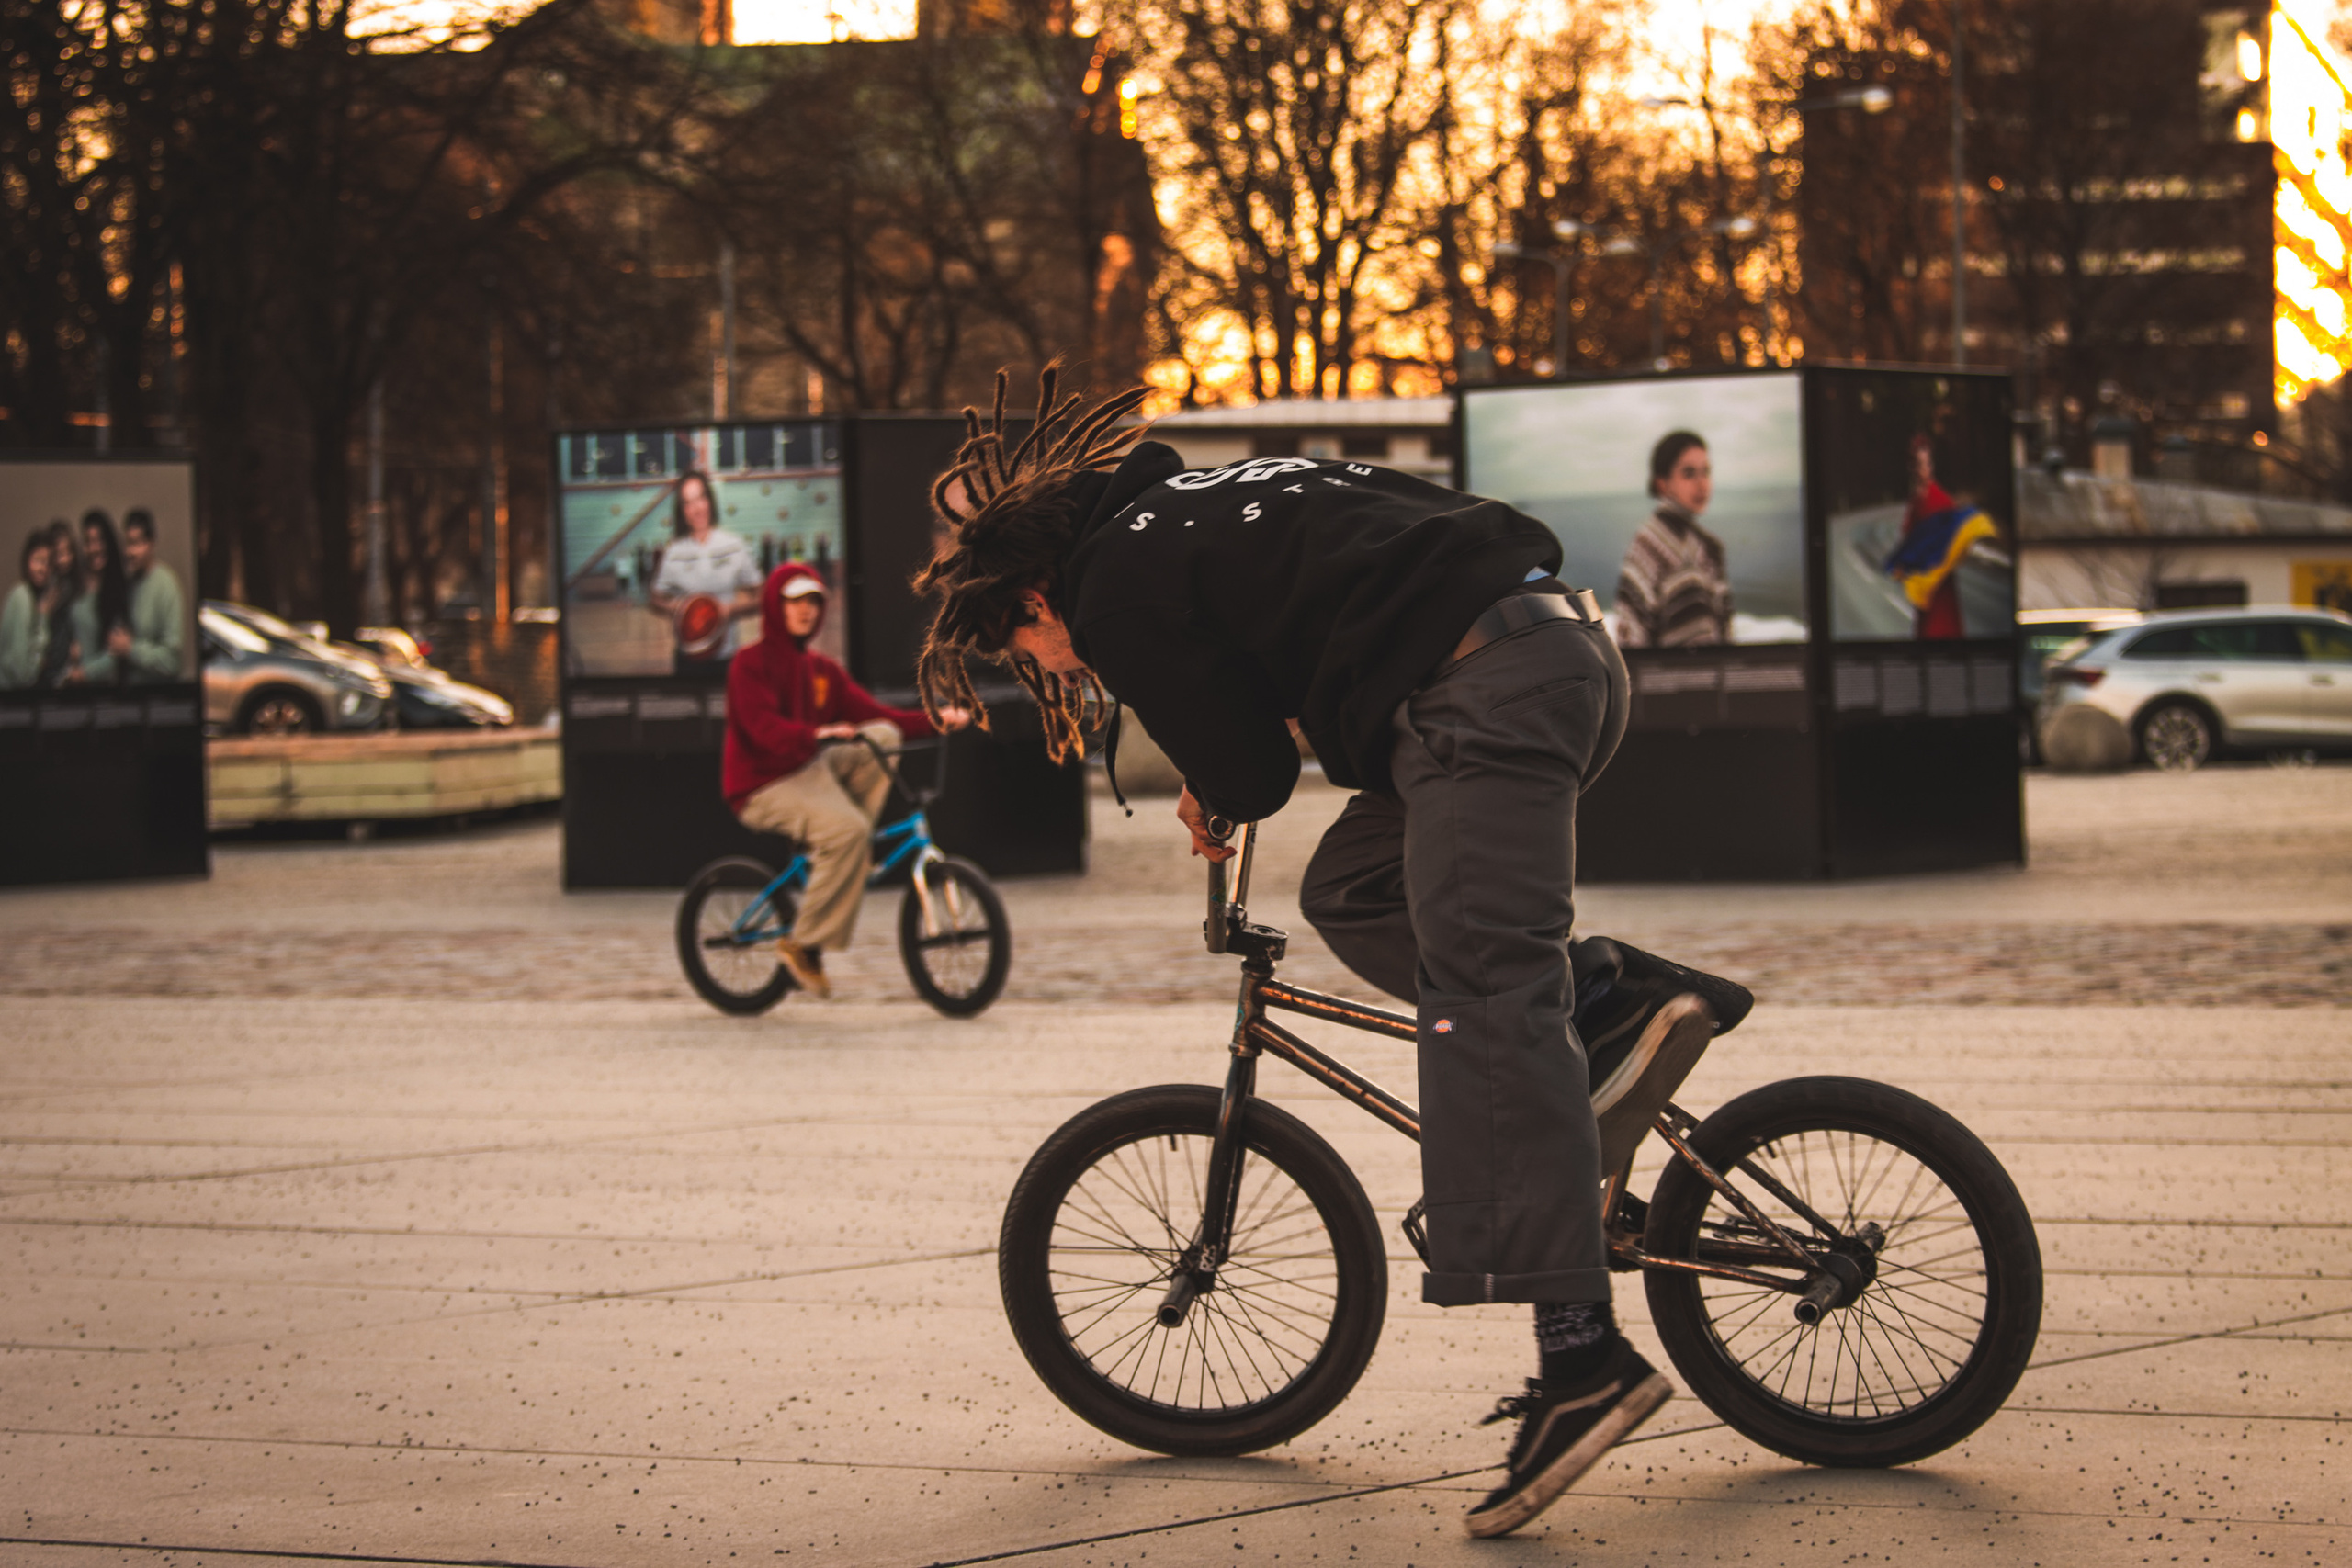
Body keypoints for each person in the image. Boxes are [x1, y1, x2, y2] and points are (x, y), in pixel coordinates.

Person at [911, 370, 1751, 1540]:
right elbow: (1283, 665)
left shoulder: (1111, 584)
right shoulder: (1193, 510)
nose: (1055, 667)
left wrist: (1210, 778)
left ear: (1037, 587)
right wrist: (1222, 763)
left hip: (1483, 695)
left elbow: (1253, 772)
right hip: (1557, 655)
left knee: (1484, 999)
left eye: (1029, 643)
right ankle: (1607, 1004)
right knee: (1350, 889)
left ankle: (1583, 1361)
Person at [722, 562, 971, 998]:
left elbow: (881, 716)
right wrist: (816, 733)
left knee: (882, 736)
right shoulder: (749, 663)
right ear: (774, 605)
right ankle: (804, 944)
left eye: (814, 602)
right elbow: (761, 730)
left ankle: (842, 845)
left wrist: (936, 720)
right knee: (850, 831)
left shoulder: (822, 670)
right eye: (795, 601)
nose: (806, 611)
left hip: (808, 768)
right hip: (761, 783)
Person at [1612, 430, 1733, 648]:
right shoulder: (1646, 545)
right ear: (1662, 484)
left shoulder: (1711, 547)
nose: (1702, 484)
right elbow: (1631, 632)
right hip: (1663, 677)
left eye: (1706, 472)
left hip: (1715, 675)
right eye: (1689, 474)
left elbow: (1725, 629)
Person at [650, 470, 762, 678]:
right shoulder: (674, 552)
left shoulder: (733, 545)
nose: (697, 509)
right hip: (687, 657)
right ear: (682, 510)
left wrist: (729, 610)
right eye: (688, 502)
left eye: (701, 498)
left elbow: (762, 596)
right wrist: (678, 608)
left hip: (726, 657)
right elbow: (655, 598)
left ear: (710, 501)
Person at [109, 509, 187, 683]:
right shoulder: (129, 584)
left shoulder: (167, 586)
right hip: (129, 696)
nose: (129, 552)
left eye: (136, 543)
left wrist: (131, 649)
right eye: (127, 543)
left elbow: (172, 661)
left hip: (158, 700)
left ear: (151, 543)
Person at [70, 510, 132, 684]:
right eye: (88, 542)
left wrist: (84, 674)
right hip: (76, 688)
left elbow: (116, 653)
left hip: (104, 689)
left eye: (99, 541)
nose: (94, 548)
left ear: (109, 543)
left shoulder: (119, 589)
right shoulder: (78, 583)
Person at [0, 528, 51, 688]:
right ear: (27, 560)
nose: (43, 569)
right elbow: (23, 674)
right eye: (38, 560)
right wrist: (43, 619)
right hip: (11, 701)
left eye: (48, 563)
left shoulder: (27, 596)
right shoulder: (23, 596)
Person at [39, 518, 82, 687]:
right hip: (49, 662)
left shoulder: (76, 584)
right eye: (58, 554)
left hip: (69, 664)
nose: (64, 560)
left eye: (68, 553)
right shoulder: (48, 585)